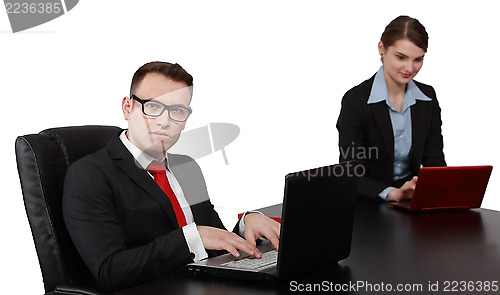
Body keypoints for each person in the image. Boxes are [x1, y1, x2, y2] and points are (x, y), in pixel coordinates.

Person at [62, 61, 280, 291]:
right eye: (153, 106)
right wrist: (190, 238)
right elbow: (110, 272)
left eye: (177, 110)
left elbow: (213, 243)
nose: (164, 121)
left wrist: (246, 225)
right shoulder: (89, 175)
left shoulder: (187, 167)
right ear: (127, 107)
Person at [336, 16, 446, 202]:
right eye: (401, 57)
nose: (410, 68)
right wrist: (393, 193)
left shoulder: (427, 97)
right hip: (368, 203)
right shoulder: (356, 100)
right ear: (382, 49)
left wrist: (439, 187)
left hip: (411, 201)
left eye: (418, 59)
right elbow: (351, 172)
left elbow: (434, 161)